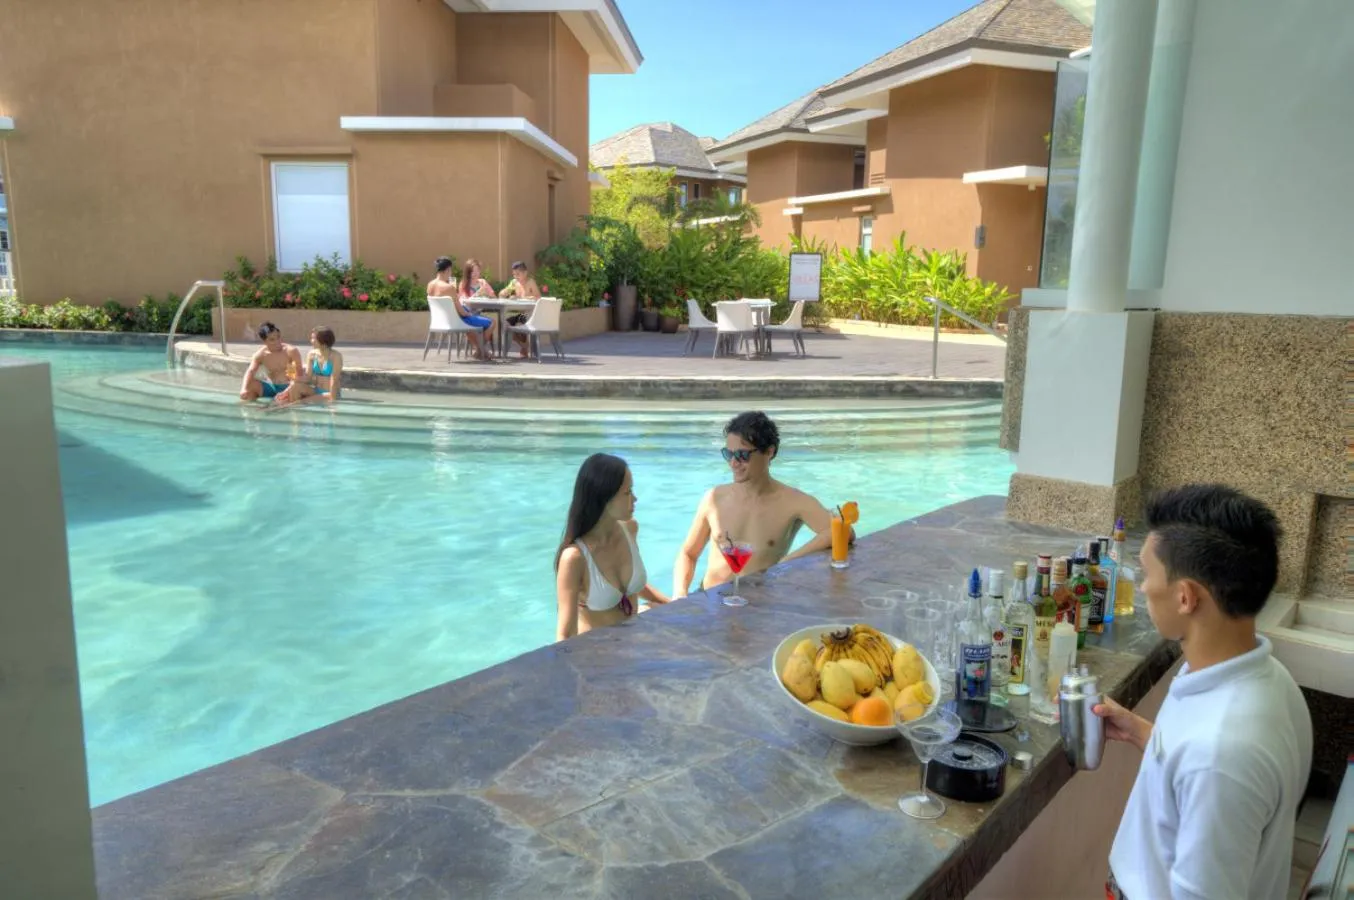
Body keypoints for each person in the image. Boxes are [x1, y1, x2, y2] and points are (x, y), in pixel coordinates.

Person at [1094, 484, 1312, 900]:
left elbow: (1214, 766)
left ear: (1185, 597)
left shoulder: (1220, 755)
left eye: (1146, 574)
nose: (1141, 589)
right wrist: (1143, 732)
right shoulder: (1269, 679)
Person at [673, 411, 844, 597]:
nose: (733, 463)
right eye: (728, 454)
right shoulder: (714, 498)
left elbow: (840, 531)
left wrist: (787, 562)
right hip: (707, 599)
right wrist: (680, 595)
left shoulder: (793, 502)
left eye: (742, 455)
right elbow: (688, 554)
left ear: (769, 452)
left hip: (756, 604)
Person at [555, 453, 669, 641]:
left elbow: (631, 585)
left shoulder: (630, 528)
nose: (635, 498)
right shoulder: (574, 558)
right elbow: (565, 635)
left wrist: (673, 603)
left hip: (633, 640)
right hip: (598, 654)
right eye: (627, 492)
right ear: (604, 498)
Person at [427, 256, 492, 362]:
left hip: (442, 320)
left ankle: (480, 350)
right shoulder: (448, 287)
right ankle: (481, 350)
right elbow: (460, 310)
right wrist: (468, 314)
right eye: (450, 270)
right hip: (456, 320)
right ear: (448, 269)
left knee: (471, 325)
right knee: (492, 322)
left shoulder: (430, 285)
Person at [275, 326, 343, 407]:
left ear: (323, 340)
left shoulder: (336, 356)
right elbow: (308, 377)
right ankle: (294, 413)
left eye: (314, 338)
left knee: (297, 403)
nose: (311, 341)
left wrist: (333, 402)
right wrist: (292, 381)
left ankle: (293, 407)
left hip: (331, 393)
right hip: (316, 390)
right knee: (295, 387)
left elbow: (334, 381)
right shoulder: (312, 354)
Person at [239, 322, 304, 401]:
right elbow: (250, 371)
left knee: (293, 390)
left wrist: (288, 390)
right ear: (265, 341)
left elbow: (299, 374)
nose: (277, 341)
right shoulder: (261, 355)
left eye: (278, 337)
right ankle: (249, 409)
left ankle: (273, 406)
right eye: (272, 340)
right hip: (272, 387)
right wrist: (244, 389)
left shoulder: (291, 351)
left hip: (288, 387)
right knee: (250, 386)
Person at [497, 260, 539, 358]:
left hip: (530, 314)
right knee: (505, 324)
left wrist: (520, 298)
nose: (516, 277)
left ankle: (524, 347)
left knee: (520, 323)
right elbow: (501, 294)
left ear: (525, 273)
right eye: (514, 274)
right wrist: (504, 292)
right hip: (519, 313)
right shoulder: (514, 282)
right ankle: (524, 345)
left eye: (518, 274)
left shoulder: (530, 282)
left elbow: (538, 297)